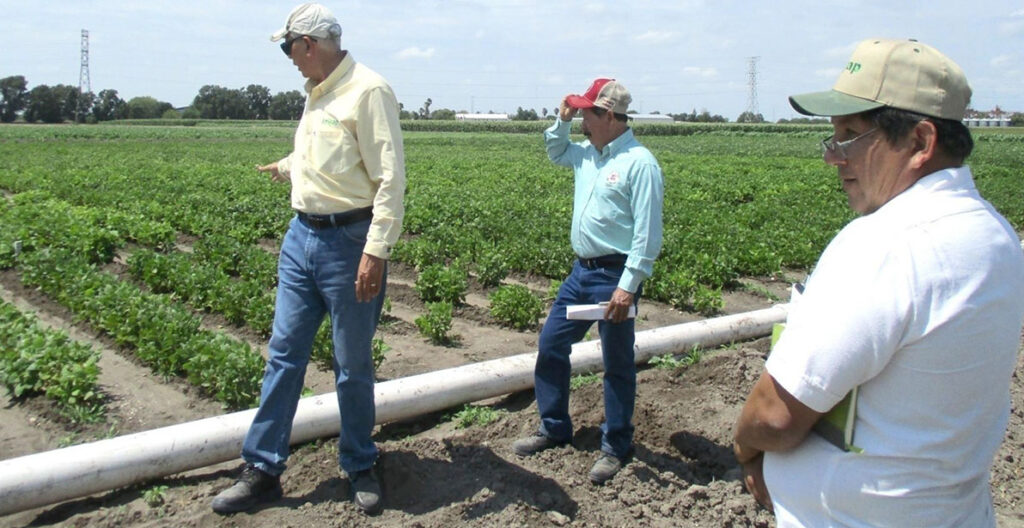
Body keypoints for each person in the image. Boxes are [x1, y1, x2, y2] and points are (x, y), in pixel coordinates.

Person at [732, 38, 1024, 527]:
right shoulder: (994, 232)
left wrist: (744, 447)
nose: (833, 158)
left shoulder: (886, 244)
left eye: (849, 136)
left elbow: (774, 415)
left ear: (920, 142)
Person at [211, 2, 405, 516]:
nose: (288, 58)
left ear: (310, 45)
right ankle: (262, 469)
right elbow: (326, 154)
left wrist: (376, 251)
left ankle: (361, 463)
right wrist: (288, 165)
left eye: (288, 47)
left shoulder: (369, 90)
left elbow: (389, 179)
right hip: (301, 240)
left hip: (350, 244)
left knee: (352, 364)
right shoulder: (316, 94)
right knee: (284, 356)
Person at [512, 78, 664, 485]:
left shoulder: (640, 163)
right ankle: (554, 427)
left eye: (585, 112)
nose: (579, 117)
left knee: (616, 362)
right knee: (552, 344)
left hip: (615, 275)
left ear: (609, 116)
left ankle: (616, 446)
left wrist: (627, 286)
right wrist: (559, 120)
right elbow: (555, 150)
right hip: (581, 273)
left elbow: (647, 235)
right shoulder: (585, 154)